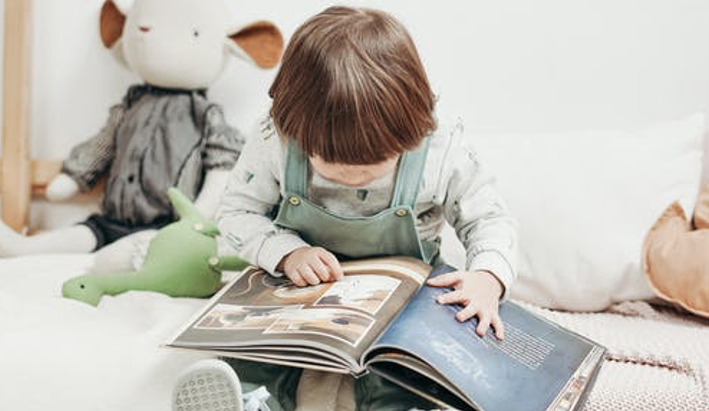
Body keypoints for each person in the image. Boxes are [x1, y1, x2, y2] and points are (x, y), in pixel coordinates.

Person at [172, 6, 518, 411]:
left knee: (409, 373)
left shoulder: (441, 149)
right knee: (261, 362)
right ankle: (247, 401)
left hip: (404, 304)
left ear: (415, 126)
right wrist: (286, 253)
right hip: (299, 296)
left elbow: (489, 219)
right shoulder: (275, 139)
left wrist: (487, 278)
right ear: (291, 127)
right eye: (331, 166)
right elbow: (234, 212)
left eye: (372, 168)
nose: (353, 178)